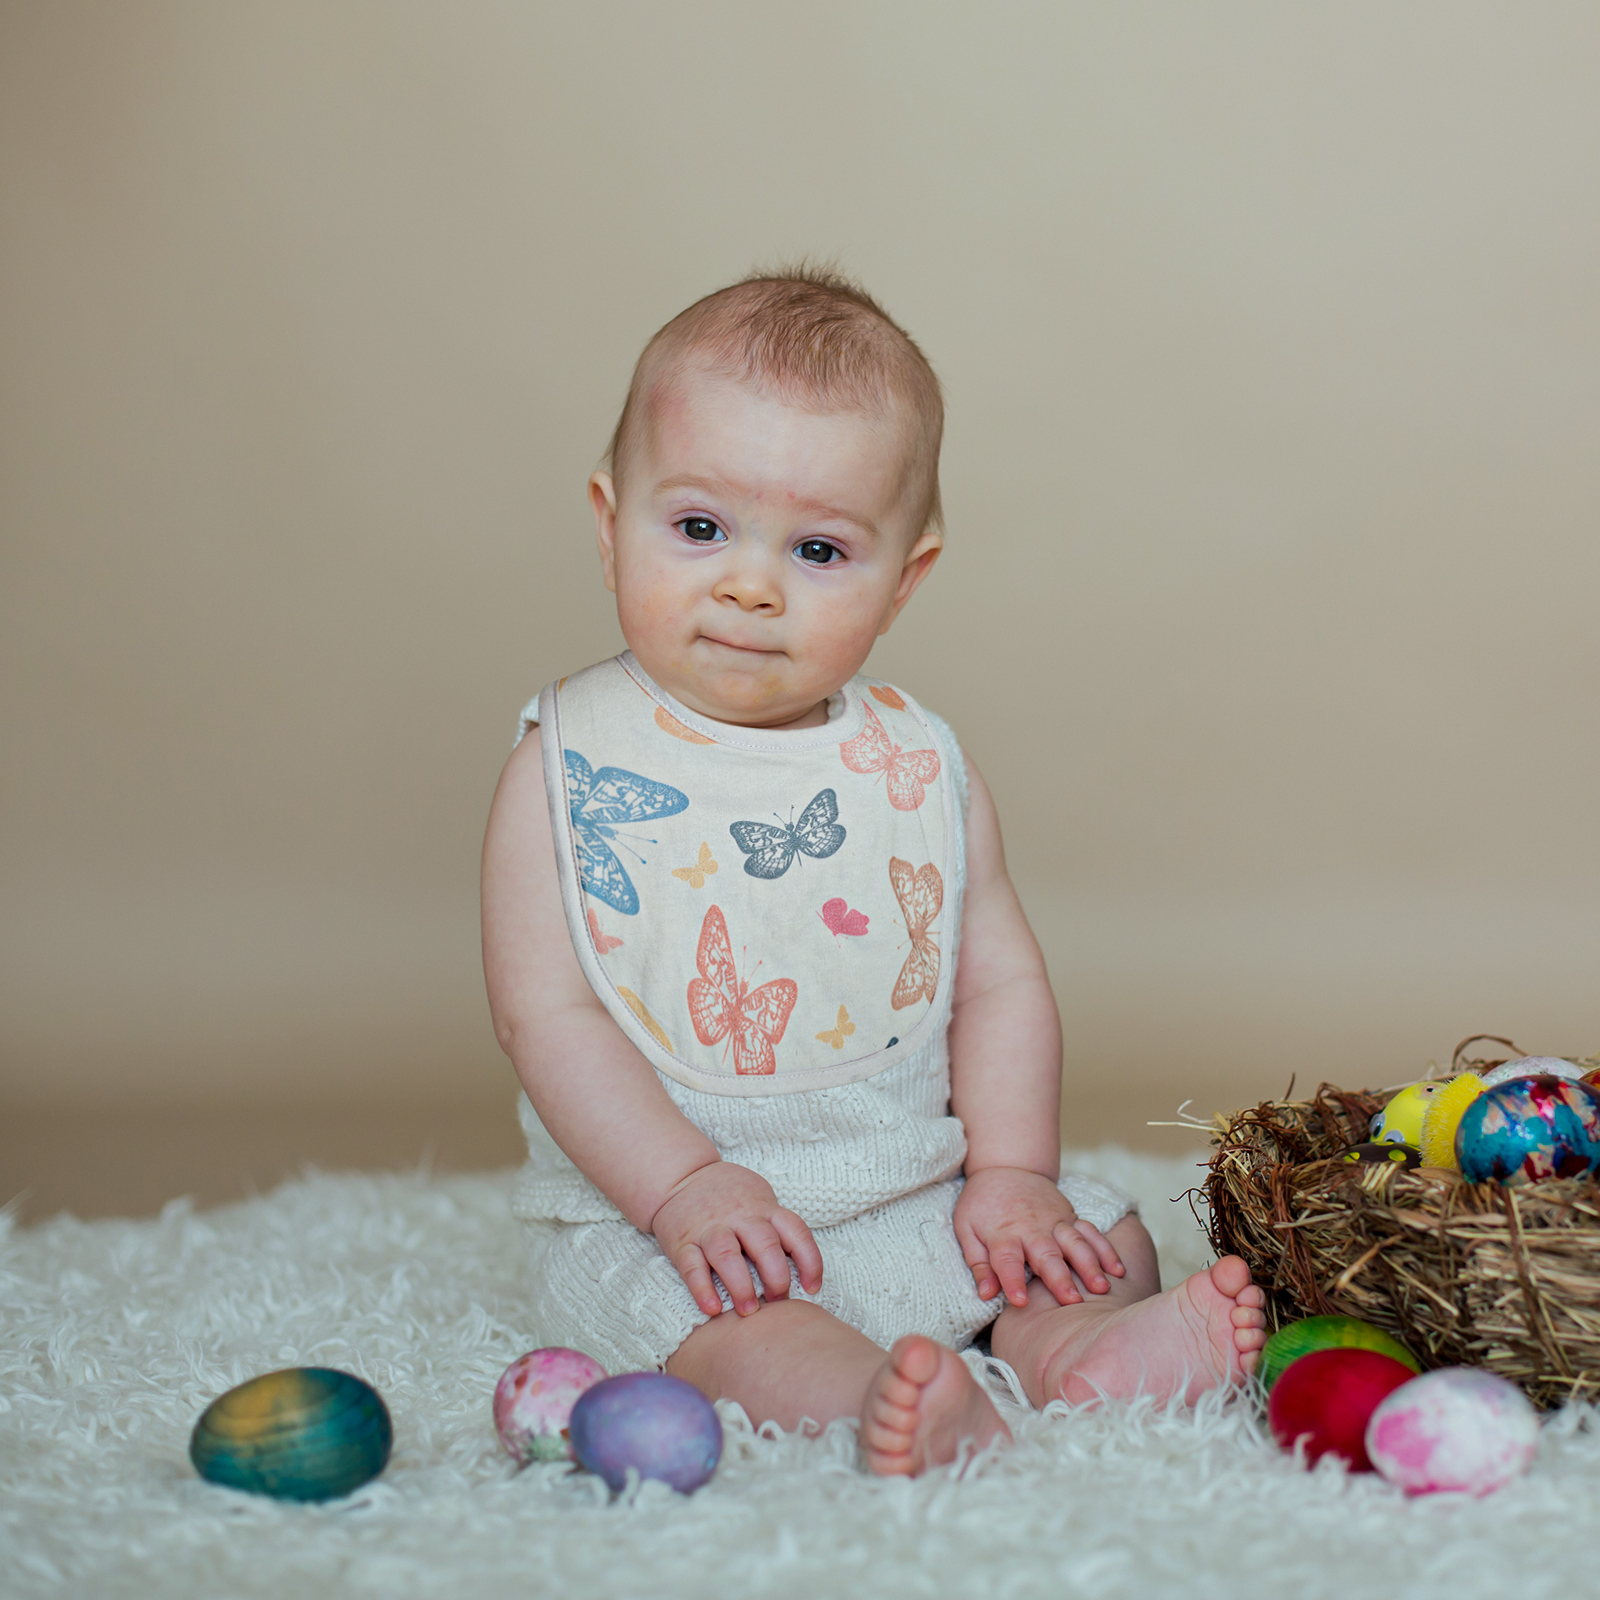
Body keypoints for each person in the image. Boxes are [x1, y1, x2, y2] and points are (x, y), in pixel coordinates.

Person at [481, 268, 1266, 1476]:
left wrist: (1009, 1177)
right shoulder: (567, 766)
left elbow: (998, 983)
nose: (749, 584)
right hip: (671, 1223)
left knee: (1093, 1232)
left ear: (904, 578)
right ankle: (881, 1399)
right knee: (713, 1333)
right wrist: (687, 1190)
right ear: (608, 521)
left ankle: (1076, 1351)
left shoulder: (917, 766)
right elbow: (547, 1016)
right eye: (698, 529)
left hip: (911, 1187)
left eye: (817, 549)